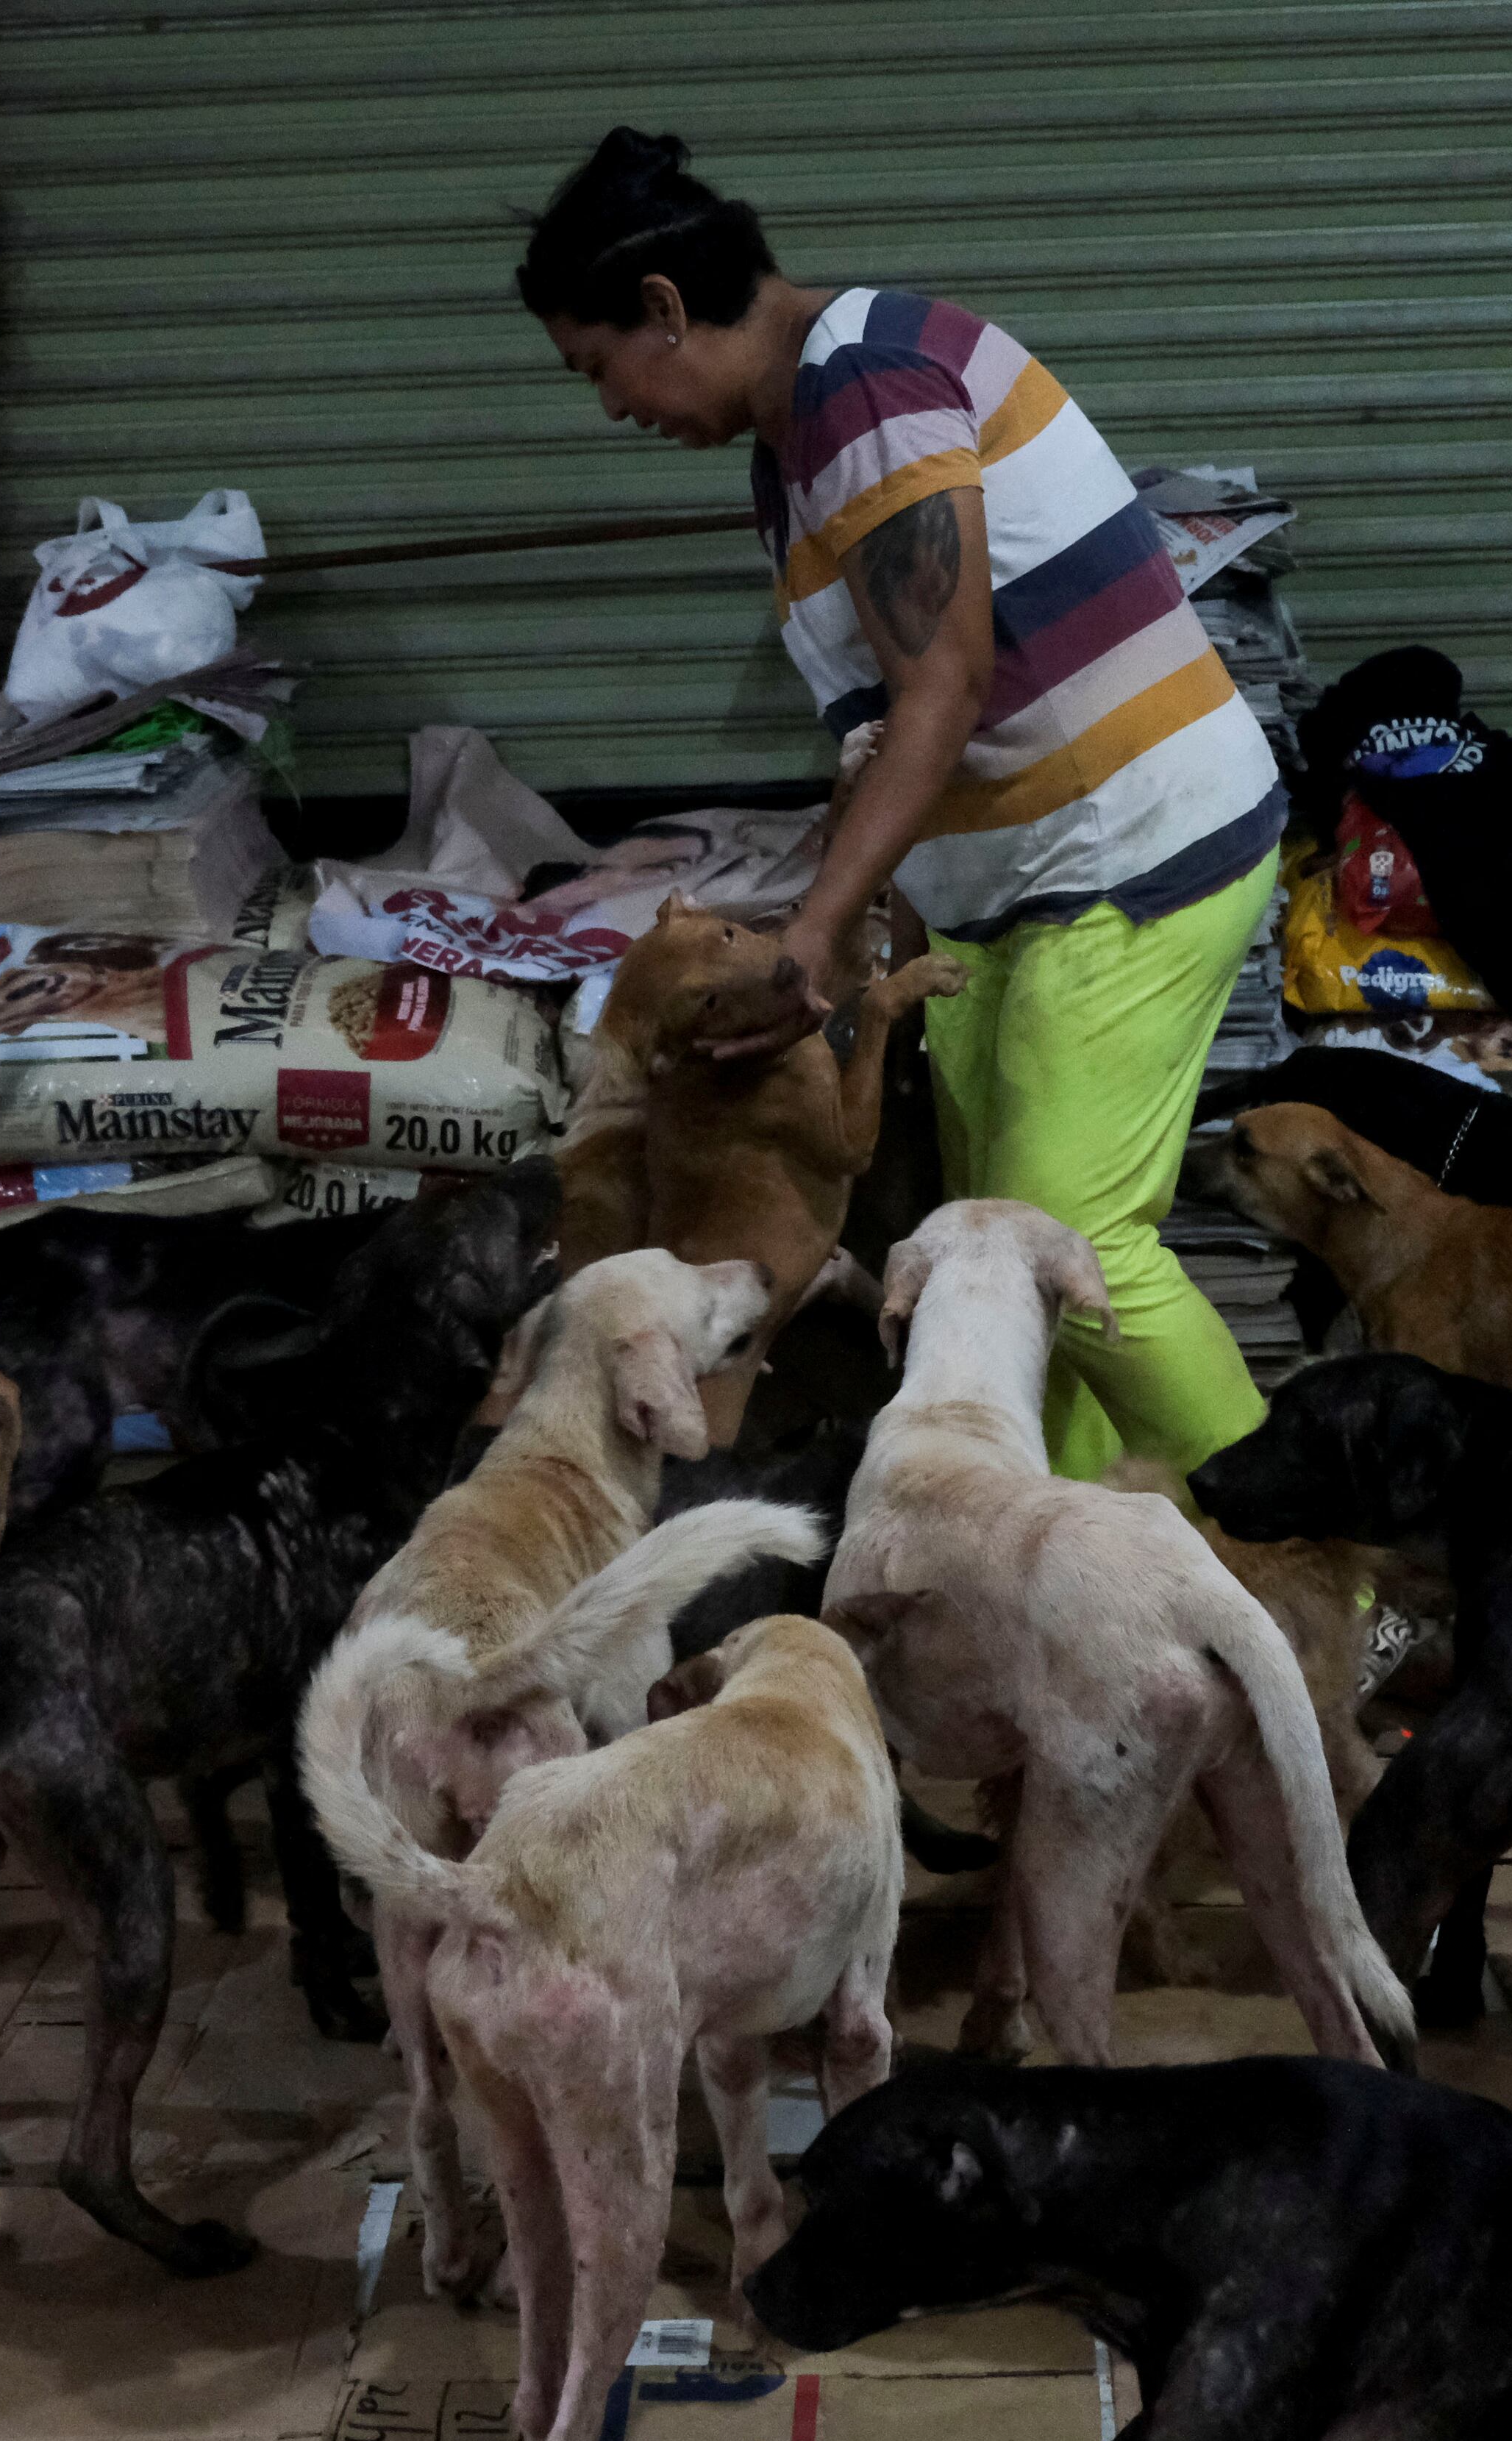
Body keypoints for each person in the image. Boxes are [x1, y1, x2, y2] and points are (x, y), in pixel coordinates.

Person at [516, 129, 1289, 1480]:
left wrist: (811, 938)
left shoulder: (863, 384)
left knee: (1073, 1242)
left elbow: (944, 683)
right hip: (1014, 894)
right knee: (997, 1259)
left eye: (601, 369)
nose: (612, 410)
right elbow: (885, 730)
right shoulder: (793, 445)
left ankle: (1330, 1581)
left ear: (663, 306)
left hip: (1126, 851)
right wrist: (849, 919)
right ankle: (1064, 1547)